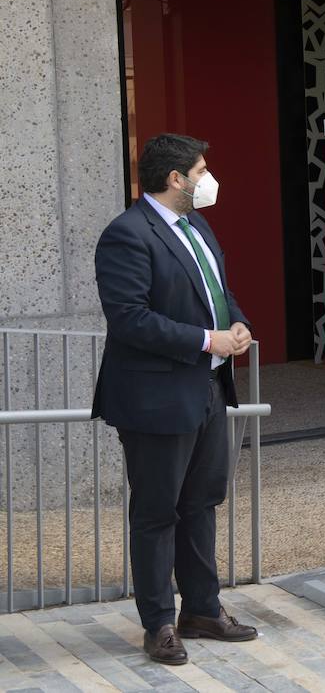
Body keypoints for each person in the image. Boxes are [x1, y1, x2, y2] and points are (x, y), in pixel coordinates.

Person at [92, 134, 258, 665]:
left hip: (207, 388)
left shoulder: (197, 226)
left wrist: (238, 324)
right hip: (156, 397)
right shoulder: (126, 234)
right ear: (176, 180)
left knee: (201, 503)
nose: (210, 180)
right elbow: (129, 318)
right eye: (202, 171)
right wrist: (206, 340)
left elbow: (217, 290)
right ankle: (160, 623)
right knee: (157, 512)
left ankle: (203, 610)